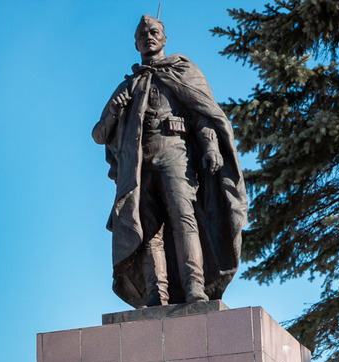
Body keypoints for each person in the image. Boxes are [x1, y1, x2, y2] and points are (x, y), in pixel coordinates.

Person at [92, 15, 246, 308]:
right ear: (136, 43)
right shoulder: (129, 85)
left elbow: (205, 114)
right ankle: (156, 294)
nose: (148, 37)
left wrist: (211, 147)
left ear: (164, 39)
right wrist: (113, 110)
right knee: (148, 230)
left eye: (154, 32)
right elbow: (99, 135)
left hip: (176, 154)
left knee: (184, 218)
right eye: (142, 34)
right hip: (140, 163)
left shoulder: (184, 71)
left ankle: (194, 288)